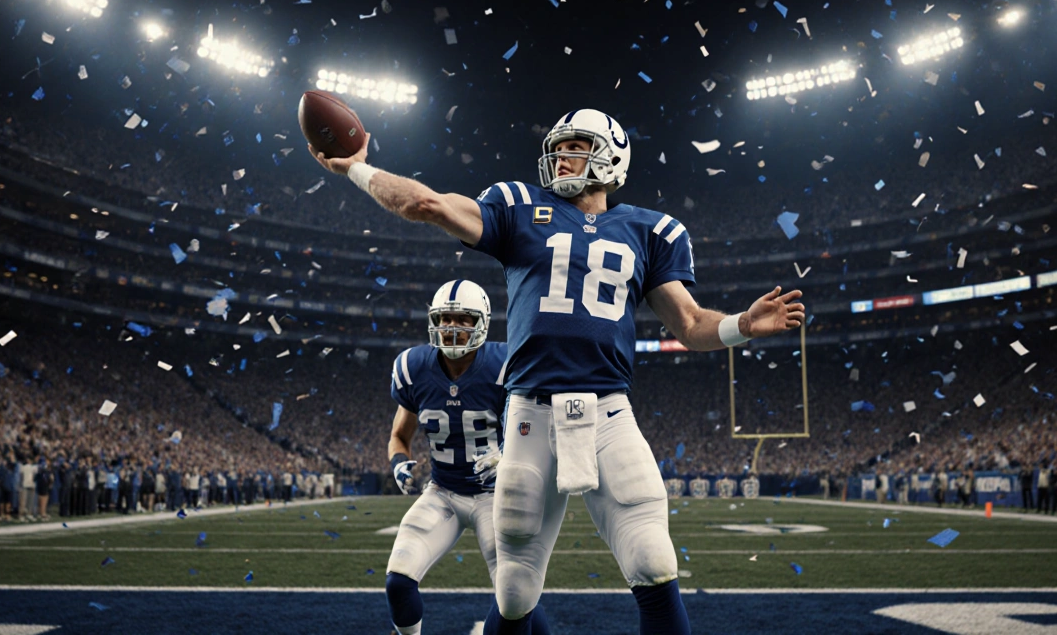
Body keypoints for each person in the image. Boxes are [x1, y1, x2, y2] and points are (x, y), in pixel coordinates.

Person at [312, 108, 805, 635]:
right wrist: (357, 168)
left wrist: (741, 326)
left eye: (575, 146)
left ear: (612, 157)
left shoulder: (650, 230)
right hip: (531, 417)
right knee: (516, 592)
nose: (560, 156)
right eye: (558, 145)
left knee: (655, 564)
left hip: (609, 414)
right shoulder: (519, 206)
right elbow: (425, 204)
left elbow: (688, 323)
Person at [383, 280, 550, 635]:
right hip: (443, 491)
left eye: (463, 319)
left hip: (496, 496)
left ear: (482, 324)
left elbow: (536, 430)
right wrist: (400, 463)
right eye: (445, 319)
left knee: (516, 597)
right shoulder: (414, 368)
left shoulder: (505, 364)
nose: (452, 328)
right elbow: (399, 436)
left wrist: (508, 455)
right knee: (398, 582)